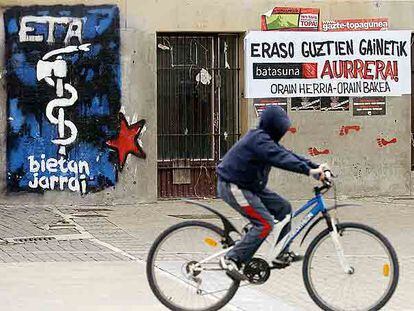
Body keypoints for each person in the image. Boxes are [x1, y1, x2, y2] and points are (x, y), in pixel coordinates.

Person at [216, 105, 326, 281]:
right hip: (233, 186)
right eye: (281, 128)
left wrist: (314, 166)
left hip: (250, 186)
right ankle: (231, 258)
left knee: (284, 208)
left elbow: (287, 154)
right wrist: (308, 171)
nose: (283, 132)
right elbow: (282, 159)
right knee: (265, 223)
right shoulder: (258, 139)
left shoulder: (266, 140)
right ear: (274, 126)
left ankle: (281, 253)